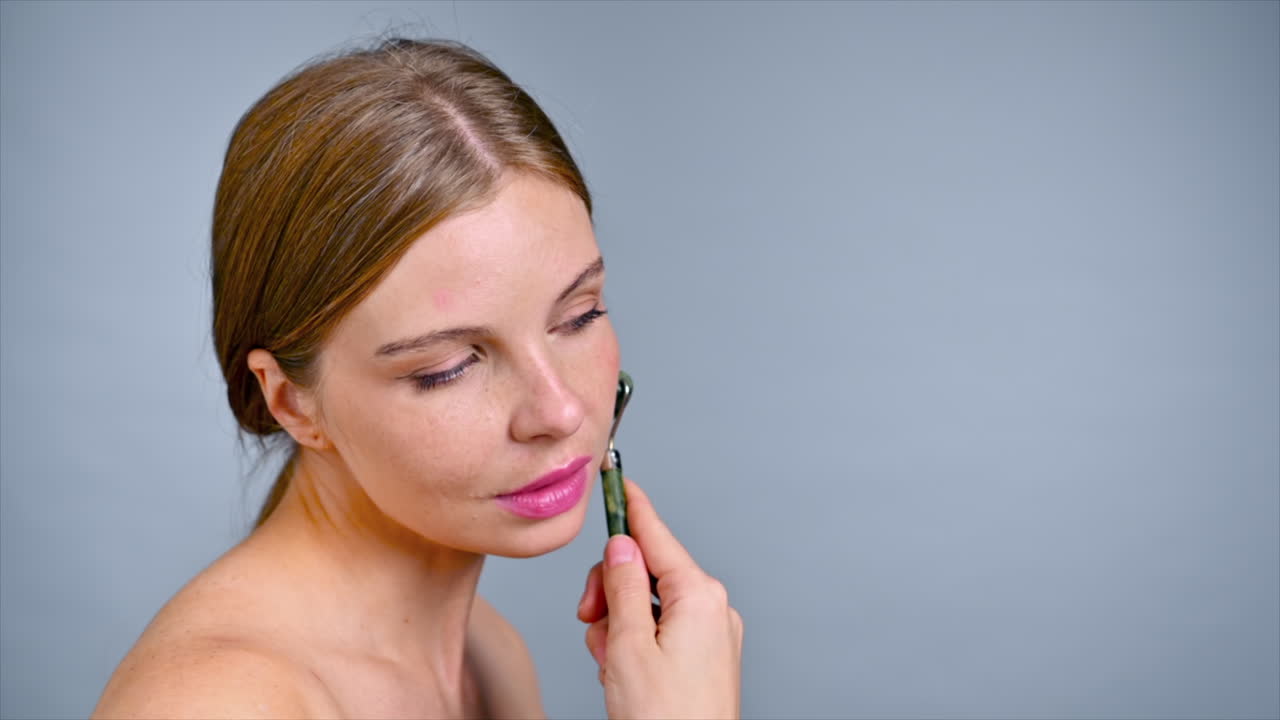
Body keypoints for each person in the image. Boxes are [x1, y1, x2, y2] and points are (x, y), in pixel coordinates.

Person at [91, 37, 742, 719]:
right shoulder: (217, 704)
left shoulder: (490, 656)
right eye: (447, 368)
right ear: (289, 402)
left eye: (580, 316)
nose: (560, 410)